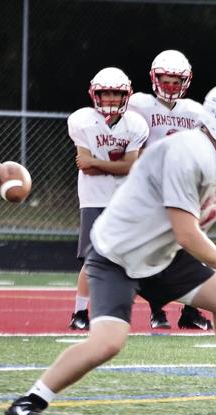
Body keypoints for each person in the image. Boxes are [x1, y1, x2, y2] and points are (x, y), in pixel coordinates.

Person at [4, 83, 216, 415]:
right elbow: (186, 232)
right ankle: (29, 401)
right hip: (119, 256)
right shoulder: (187, 153)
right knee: (107, 343)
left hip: (161, 255)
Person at [128, 49, 215, 331]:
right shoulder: (138, 105)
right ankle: (158, 308)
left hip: (183, 189)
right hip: (150, 189)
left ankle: (191, 310)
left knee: (194, 245)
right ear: (155, 78)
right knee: (154, 249)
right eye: (166, 80)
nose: (170, 86)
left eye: (176, 81)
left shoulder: (195, 111)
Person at [66, 67, 149, 331]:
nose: (111, 98)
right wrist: (113, 166)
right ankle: (80, 312)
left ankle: (128, 309)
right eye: (106, 93)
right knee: (92, 258)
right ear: (95, 95)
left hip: (124, 199)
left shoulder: (135, 124)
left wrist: (98, 163)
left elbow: (130, 166)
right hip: (93, 198)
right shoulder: (83, 120)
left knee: (128, 257)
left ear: (126, 95)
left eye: (116, 93)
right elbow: (84, 164)